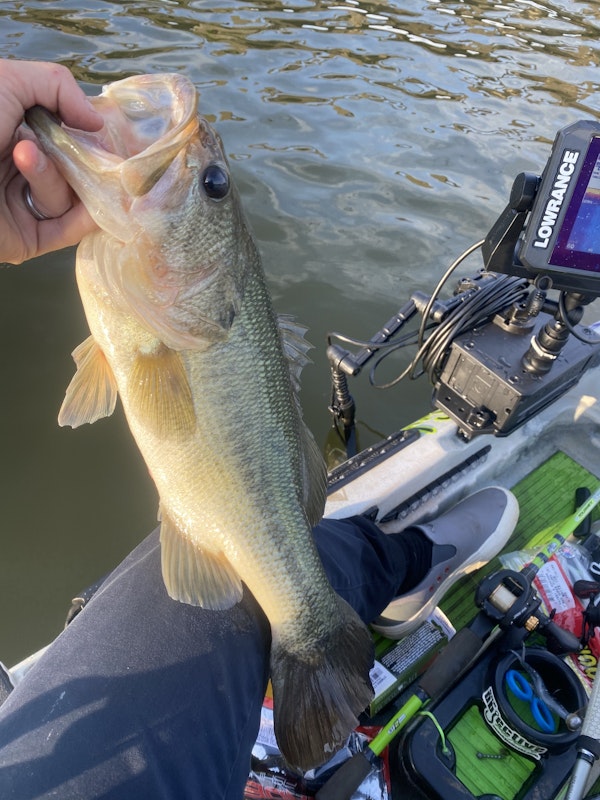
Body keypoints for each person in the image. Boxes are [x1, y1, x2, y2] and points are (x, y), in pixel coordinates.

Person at [0, 59, 520, 800]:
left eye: (211, 185)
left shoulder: (148, 308)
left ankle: (366, 584)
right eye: (214, 186)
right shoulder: (155, 306)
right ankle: (394, 568)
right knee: (303, 564)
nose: (201, 176)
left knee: (247, 570)